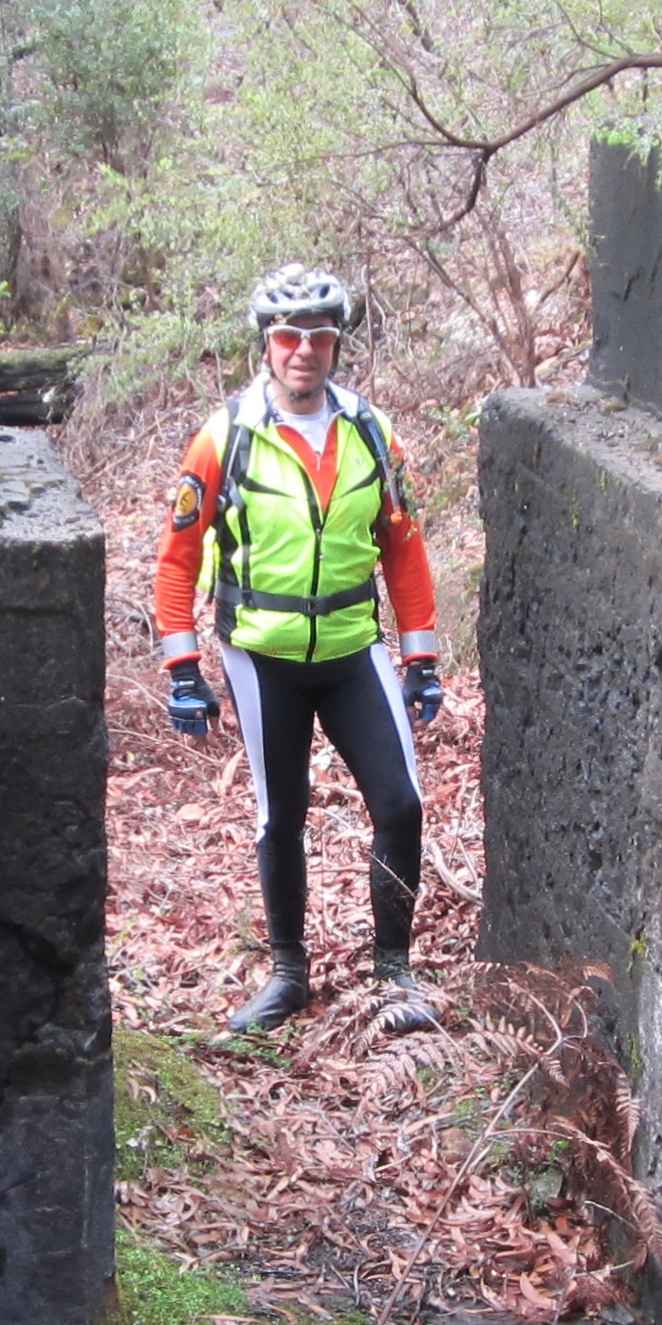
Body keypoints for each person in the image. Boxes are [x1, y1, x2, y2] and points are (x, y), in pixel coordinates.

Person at [153, 262, 445, 1036]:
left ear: (336, 345)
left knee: (400, 803)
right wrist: (181, 668)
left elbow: (404, 547)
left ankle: (394, 974)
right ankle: (288, 973)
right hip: (261, 653)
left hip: (352, 648)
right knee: (280, 815)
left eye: (319, 337)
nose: (303, 351)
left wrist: (421, 657)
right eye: (288, 336)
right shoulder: (226, 434)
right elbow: (177, 558)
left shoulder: (369, 431)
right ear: (265, 345)